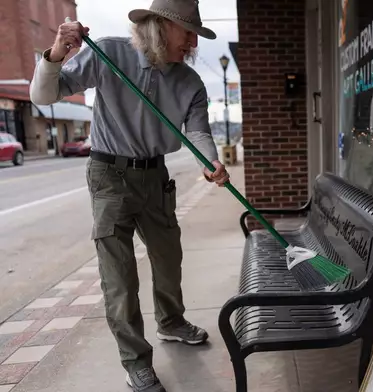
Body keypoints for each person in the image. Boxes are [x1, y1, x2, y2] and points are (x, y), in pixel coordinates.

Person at [29, 1, 229, 391]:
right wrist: (56, 54)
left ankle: (171, 323)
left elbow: (199, 131)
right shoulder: (109, 53)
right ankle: (135, 360)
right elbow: (44, 94)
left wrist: (210, 161)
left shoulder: (190, 83)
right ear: (160, 26)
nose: (192, 43)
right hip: (110, 176)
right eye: (187, 32)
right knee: (119, 277)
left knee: (169, 259)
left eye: (195, 35)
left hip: (156, 177)